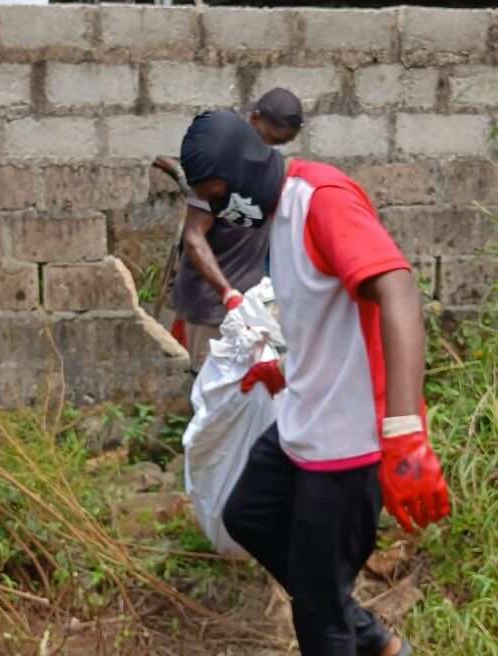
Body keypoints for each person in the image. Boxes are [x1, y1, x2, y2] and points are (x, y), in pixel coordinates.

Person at [179, 111, 450, 656]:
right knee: (247, 515)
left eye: (220, 195)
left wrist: (404, 433)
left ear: (246, 169)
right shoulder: (276, 217)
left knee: (318, 621)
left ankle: (348, 626)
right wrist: (283, 372)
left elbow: (398, 290)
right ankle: (370, 635)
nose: (221, 211)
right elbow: (323, 313)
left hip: (350, 440)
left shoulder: (320, 198)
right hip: (305, 416)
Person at [154, 88, 303, 372]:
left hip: (251, 301)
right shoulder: (217, 163)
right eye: (269, 138)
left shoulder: (271, 167)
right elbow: (194, 236)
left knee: (249, 387)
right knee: (209, 385)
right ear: (254, 119)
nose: (268, 148)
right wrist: (227, 293)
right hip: (211, 302)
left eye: (278, 143)